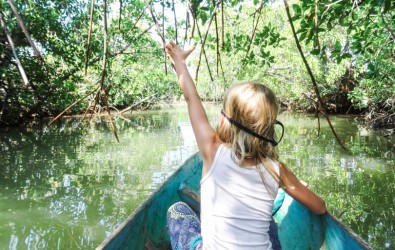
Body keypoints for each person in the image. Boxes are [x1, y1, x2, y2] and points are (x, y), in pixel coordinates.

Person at [165, 40, 326, 249]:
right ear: (269, 129)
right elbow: (320, 207)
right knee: (267, 223)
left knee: (176, 211)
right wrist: (292, 187)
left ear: (224, 120)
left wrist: (180, 62)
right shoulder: (278, 171)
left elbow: (190, 97)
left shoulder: (212, 149)